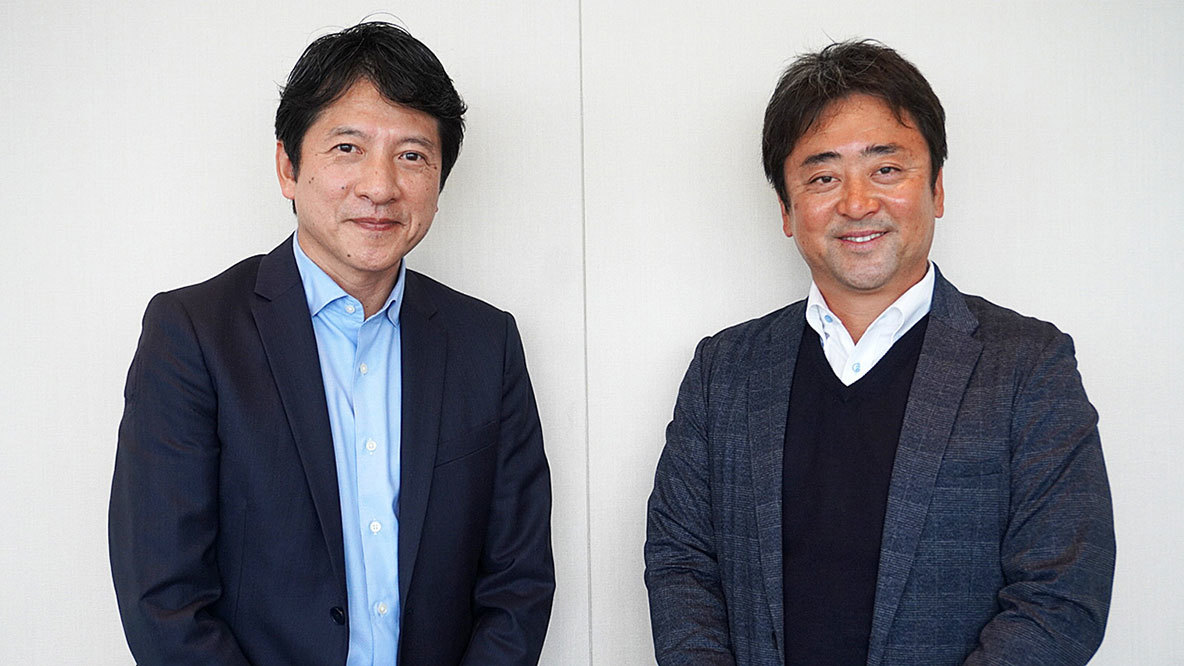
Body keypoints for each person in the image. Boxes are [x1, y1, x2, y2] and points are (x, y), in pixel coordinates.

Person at [645, 40, 1114, 665]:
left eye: (886, 169)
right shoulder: (724, 370)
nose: (857, 203)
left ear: (937, 188)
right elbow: (680, 563)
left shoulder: (1028, 366)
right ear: (786, 210)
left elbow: (1061, 595)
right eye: (823, 177)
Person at [109, 22, 553, 665]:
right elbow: (163, 598)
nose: (380, 186)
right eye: (348, 148)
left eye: (412, 155)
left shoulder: (486, 344)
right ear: (288, 168)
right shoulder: (195, 334)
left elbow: (518, 584)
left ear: (439, 180)